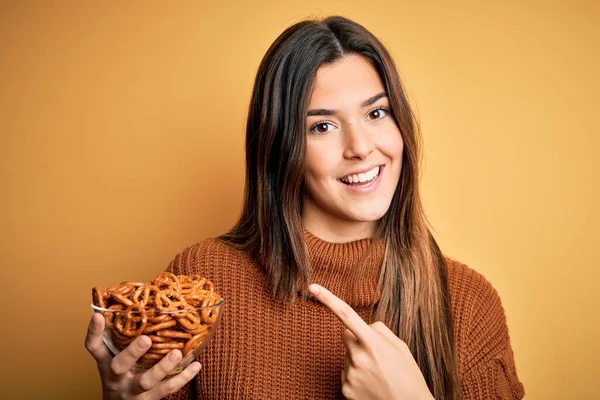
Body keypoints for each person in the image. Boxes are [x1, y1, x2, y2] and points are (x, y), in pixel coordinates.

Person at [85, 15, 525, 400]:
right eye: (323, 126)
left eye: (376, 114)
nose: (360, 147)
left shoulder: (467, 303)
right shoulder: (206, 280)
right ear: (281, 147)